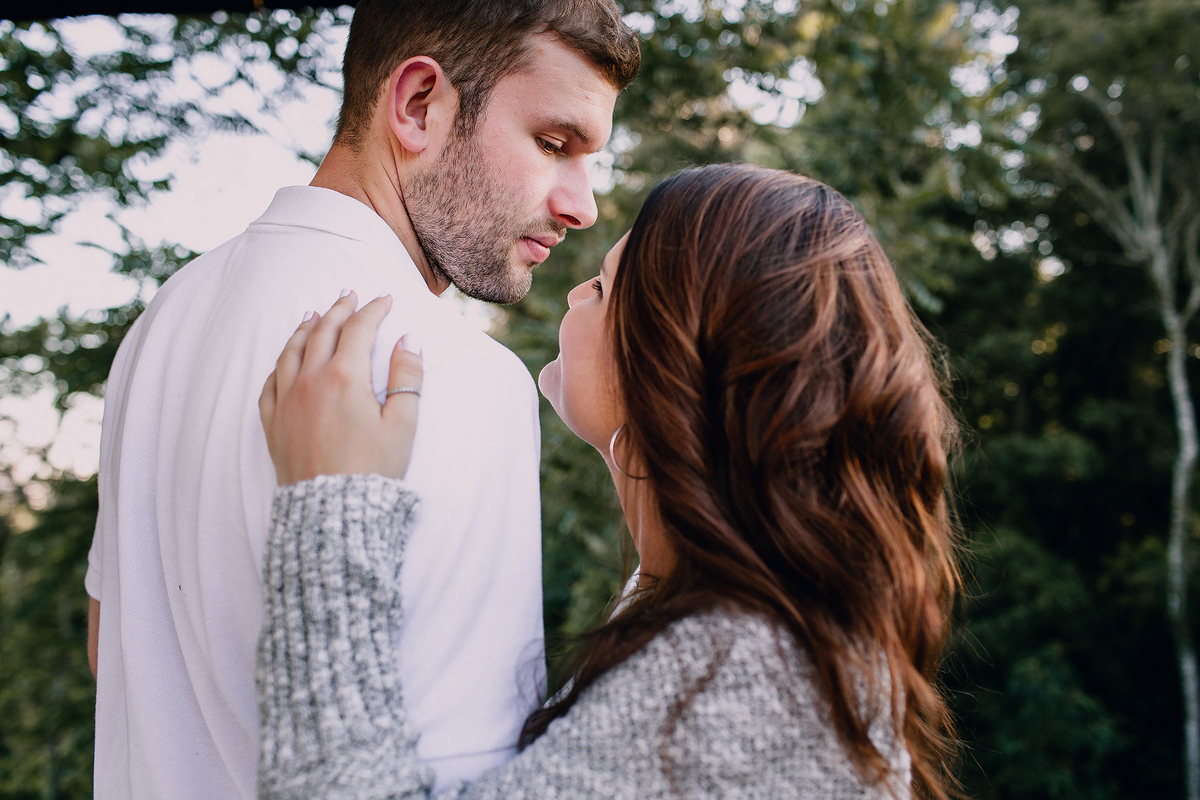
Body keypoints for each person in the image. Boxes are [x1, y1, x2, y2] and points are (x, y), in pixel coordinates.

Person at [253, 164, 962, 799]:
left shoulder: (748, 680)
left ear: (673, 361)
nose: (572, 293)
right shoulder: (740, 635)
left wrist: (331, 507)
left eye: (601, 285)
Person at [84, 2, 640, 797]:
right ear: (418, 105)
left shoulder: (162, 320)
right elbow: (462, 766)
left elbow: (118, 652)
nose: (581, 204)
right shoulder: (450, 375)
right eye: (554, 144)